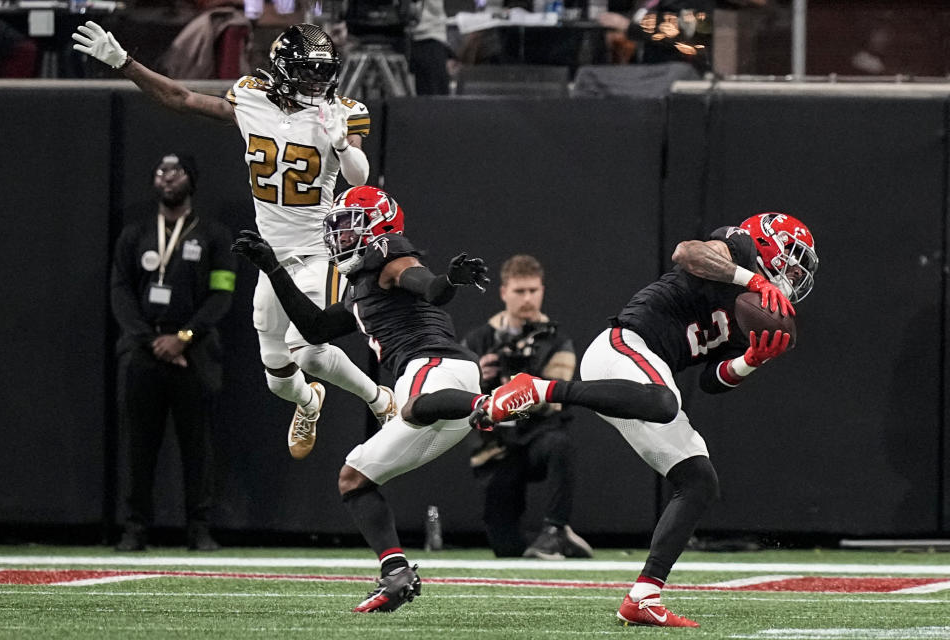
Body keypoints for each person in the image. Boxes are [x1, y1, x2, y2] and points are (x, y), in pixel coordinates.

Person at [472, 212, 818, 627]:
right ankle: (540, 388)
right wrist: (754, 279)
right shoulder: (737, 249)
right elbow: (687, 252)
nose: (794, 273)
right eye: (791, 259)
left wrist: (749, 360)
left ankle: (643, 596)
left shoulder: (753, 311)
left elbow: (711, 381)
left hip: (642, 383)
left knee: (698, 480)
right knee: (664, 400)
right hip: (624, 346)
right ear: (764, 244)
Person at [72, 20, 396, 462]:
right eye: (308, 71)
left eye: (324, 72)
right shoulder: (250, 97)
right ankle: (308, 402)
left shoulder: (342, 111)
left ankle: (380, 400)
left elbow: (358, 177)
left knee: (311, 351)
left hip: (321, 249)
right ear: (282, 69)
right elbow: (181, 98)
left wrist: (341, 144)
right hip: (273, 255)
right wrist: (125, 63)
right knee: (278, 375)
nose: (318, 81)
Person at [231, 185, 490, 613]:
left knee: (411, 408)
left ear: (377, 228)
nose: (340, 237)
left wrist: (448, 281)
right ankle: (396, 574)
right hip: (432, 387)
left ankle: (492, 405)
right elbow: (314, 328)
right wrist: (274, 268)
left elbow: (427, 287)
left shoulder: (388, 254)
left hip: (436, 369)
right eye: (336, 229)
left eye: (349, 227)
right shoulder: (357, 288)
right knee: (354, 479)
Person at [111, 153, 237, 552]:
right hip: (142, 349)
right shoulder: (136, 234)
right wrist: (151, 340)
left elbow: (222, 293)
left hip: (194, 352)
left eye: (176, 171)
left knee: (197, 445)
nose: (167, 178)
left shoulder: (213, 235)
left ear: (191, 180)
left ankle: (199, 528)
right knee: (138, 443)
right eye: (160, 171)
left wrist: (185, 336)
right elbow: (121, 292)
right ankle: (134, 528)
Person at [462, 255, 592, 560]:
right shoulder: (479, 340)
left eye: (533, 290)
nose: (527, 298)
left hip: (537, 436)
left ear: (542, 290)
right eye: (520, 291)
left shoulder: (558, 341)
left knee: (560, 444)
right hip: (497, 446)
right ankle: (560, 542)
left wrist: (519, 388)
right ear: (504, 291)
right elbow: (456, 393)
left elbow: (554, 399)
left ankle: (555, 529)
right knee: (505, 548)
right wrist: (478, 376)